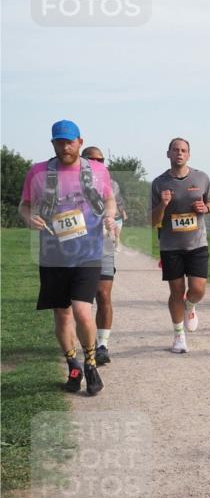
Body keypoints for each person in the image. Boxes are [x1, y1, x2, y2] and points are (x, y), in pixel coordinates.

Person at [18, 120, 118, 395]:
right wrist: (30, 219)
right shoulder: (38, 172)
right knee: (62, 315)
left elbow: (109, 200)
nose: (65, 147)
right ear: (52, 143)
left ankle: (90, 362)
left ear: (80, 142)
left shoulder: (97, 171)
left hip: (88, 253)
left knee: (82, 310)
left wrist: (109, 214)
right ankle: (72, 364)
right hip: (53, 255)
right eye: (59, 142)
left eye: (69, 142)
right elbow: (24, 206)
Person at [150, 138, 210, 354]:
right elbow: (152, 220)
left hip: (197, 243)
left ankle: (191, 306)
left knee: (197, 289)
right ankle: (178, 335)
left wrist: (205, 207)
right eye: (175, 150)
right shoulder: (159, 183)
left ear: (189, 154)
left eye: (183, 150)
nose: (179, 153)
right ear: (168, 154)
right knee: (176, 291)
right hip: (170, 246)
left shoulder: (202, 177)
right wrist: (163, 204)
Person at [82, 146, 128, 365]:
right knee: (80, 302)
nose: (97, 163)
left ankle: (102, 345)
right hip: (77, 248)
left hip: (103, 245)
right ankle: (84, 342)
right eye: (91, 160)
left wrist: (112, 217)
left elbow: (116, 207)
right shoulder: (70, 182)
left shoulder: (112, 184)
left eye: (100, 160)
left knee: (103, 294)